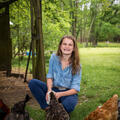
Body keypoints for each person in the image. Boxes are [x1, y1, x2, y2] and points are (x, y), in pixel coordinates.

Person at [28, 35, 82, 113]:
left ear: (73, 48)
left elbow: (75, 89)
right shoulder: (54, 58)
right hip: (54, 89)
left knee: (69, 105)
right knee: (33, 83)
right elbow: (50, 76)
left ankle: (59, 110)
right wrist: (49, 91)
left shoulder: (77, 65)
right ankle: (47, 108)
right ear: (60, 46)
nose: (67, 47)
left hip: (67, 92)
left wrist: (60, 94)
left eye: (70, 45)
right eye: (64, 44)